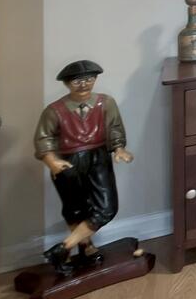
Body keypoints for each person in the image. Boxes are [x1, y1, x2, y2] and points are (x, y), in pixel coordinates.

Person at [33, 60, 133, 275]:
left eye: (89, 79)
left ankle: (63, 248)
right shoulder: (54, 110)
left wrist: (118, 148)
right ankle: (86, 248)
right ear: (68, 84)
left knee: (106, 208)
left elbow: (114, 128)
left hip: (98, 158)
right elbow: (44, 139)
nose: (84, 84)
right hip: (67, 161)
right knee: (75, 208)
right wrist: (51, 160)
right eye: (77, 80)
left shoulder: (106, 103)